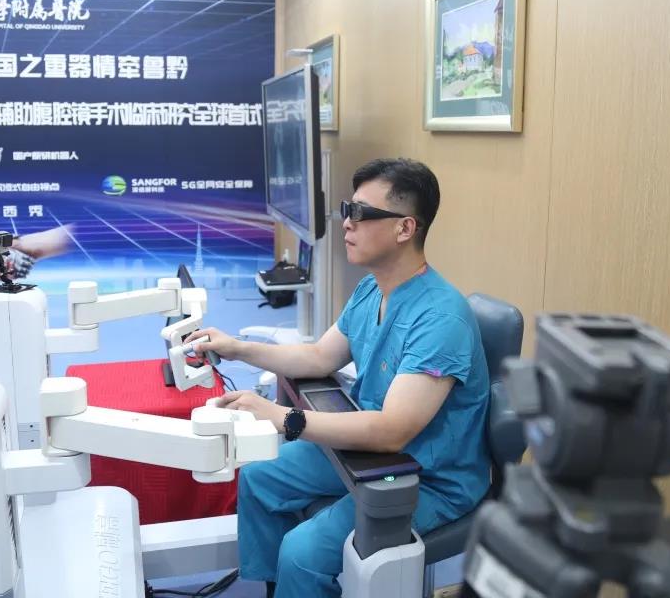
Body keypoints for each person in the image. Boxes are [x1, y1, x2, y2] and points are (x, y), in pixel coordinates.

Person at [187, 158, 491, 598]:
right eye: (348, 209)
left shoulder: (441, 319)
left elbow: (392, 431)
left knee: (302, 551)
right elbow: (318, 357)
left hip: (427, 478)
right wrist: (236, 347)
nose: (347, 222)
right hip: (365, 453)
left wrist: (284, 418)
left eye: (361, 213)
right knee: (259, 478)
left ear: (405, 228)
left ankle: (295, 580)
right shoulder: (372, 288)